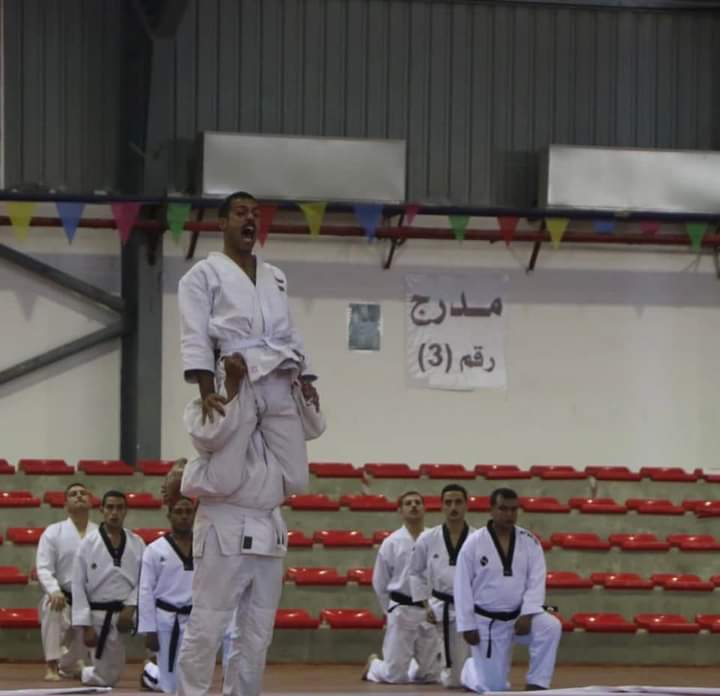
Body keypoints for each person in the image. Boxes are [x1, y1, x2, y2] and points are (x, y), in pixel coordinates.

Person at [177, 190, 320, 498]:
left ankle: (253, 495)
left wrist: (306, 378)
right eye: (241, 213)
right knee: (225, 479)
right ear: (222, 223)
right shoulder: (201, 275)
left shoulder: (275, 276)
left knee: (296, 480)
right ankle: (187, 476)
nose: (250, 219)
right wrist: (208, 392)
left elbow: (290, 331)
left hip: (280, 373)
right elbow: (195, 336)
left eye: (255, 214)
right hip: (237, 373)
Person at [174, 354, 300, 696]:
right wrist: (231, 387)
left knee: (257, 633)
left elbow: (312, 430)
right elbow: (209, 437)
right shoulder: (208, 406)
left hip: (268, 525)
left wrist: (301, 392)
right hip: (224, 524)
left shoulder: (276, 416)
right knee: (208, 624)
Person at [454, 488, 562, 693]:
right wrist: (467, 625)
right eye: (503, 509)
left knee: (550, 627)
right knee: (494, 688)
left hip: (517, 618)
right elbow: (462, 586)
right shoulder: (473, 543)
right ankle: (470, 670)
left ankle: (537, 683)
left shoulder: (529, 541)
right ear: (491, 510)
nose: (509, 514)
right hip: (486, 622)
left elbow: (536, 580)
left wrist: (528, 613)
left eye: (513, 509)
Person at [364, 491, 441, 684]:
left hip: (429, 610)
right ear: (400, 511)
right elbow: (380, 582)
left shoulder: (435, 539)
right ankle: (374, 665)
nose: (413, 506)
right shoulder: (391, 542)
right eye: (408, 503)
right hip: (401, 609)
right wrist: (390, 610)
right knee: (395, 676)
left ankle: (412, 664)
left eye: (417, 502)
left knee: (431, 675)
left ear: (424, 508)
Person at [71, 490, 146, 686]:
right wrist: (86, 625)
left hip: (131, 610)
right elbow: (78, 585)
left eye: (120, 508)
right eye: (110, 507)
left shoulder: (137, 542)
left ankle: (156, 669)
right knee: (107, 679)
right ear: (101, 510)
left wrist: (131, 607)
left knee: (165, 620)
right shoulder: (88, 543)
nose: (115, 512)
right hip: (99, 613)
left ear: (126, 511)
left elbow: (145, 580)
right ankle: (85, 672)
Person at [407, 484, 475, 688]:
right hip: (438, 608)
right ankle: (416, 667)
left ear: (466, 505)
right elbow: (415, 572)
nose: (453, 507)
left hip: (467, 608)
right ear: (441, 506)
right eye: (448, 502)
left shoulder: (477, 538)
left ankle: (432, 668)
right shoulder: (428, 538)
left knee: (458, 678)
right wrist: (425, 605)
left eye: (458, 502)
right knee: (448, 679)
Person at [36, 482, 98, 681]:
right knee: (51, 605)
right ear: (65, 505)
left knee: (77, 657)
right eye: (73, 494)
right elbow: (44, 567)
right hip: (64, 596)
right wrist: (54, 590)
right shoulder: (53, 532)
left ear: (90, 502)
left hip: (90, 599)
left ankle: (69, 664)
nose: (79, 496)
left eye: (83, 493)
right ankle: (52, 666)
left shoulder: (100, 533)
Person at [138, 496, 196, 693]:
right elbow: (145, 590)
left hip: (195, 618)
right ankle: (151, 672)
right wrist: (149, 629)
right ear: (169, 516)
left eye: (188, 512)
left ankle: (152, 672)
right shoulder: (154, 549)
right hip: (165, 619)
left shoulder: (204, 547)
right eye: (178, 512)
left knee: (192, 674)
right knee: (170, 683)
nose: (184, 516)